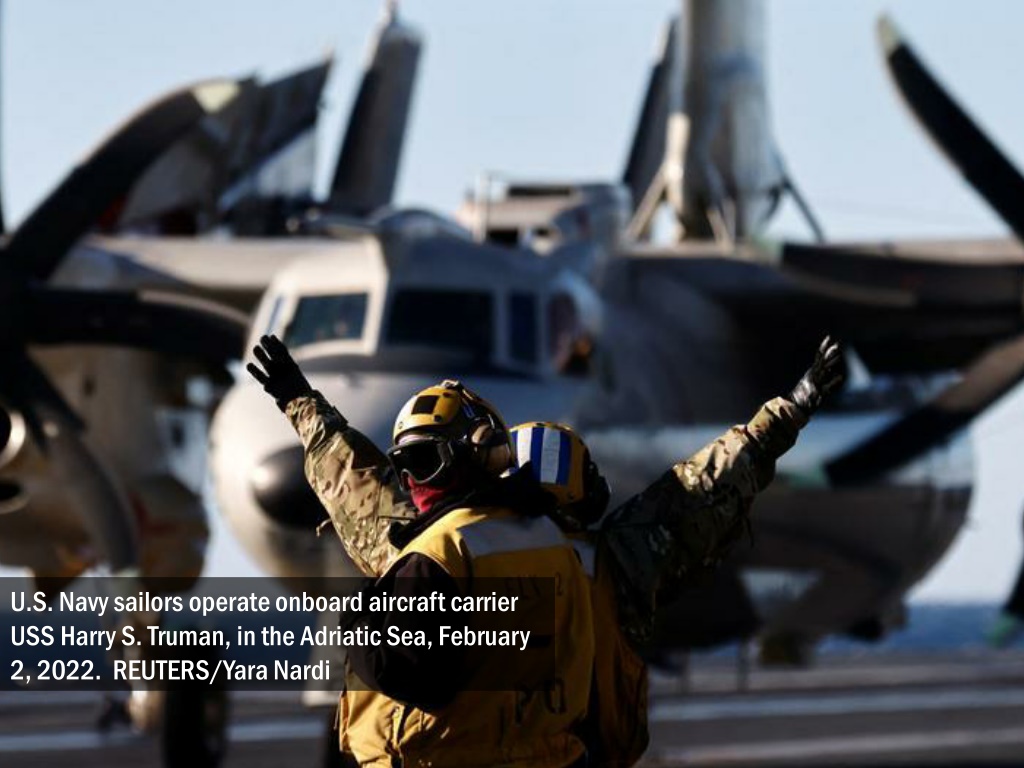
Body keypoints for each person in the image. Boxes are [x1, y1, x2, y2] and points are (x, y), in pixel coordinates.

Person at [247, 344, 595, 767]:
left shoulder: (438, 552)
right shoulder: (552, 542)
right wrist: (301, 403)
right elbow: (363, 490)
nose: (411, 480)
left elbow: (406, 674)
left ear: (474, 457)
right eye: (404, 464)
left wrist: (358, 619)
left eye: (426, 461)